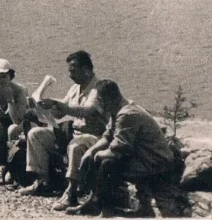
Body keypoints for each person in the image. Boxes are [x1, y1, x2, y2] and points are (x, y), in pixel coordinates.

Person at [67, 79, 177, 217]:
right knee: (100, 157)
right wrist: (90, 152)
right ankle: (94, 202)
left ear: (105, 99)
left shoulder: (127, 114)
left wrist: (97, 156)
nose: (97, 105)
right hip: (145, 157)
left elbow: (119, 149)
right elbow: (107, 137)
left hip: (157, 162)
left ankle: (106, 210)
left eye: (98, 101)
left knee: (108, 164)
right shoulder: (119, 109)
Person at [20, 50, 108, 208]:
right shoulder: (75, 88)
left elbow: (85, 110)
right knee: (36, 134)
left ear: (86, 70)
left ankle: (71, 193)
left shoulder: (98, 89)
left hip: (95, 136)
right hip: (75, 133)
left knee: (75, 146)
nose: (70, 74)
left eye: (73, 70)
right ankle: (43, 181)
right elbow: (61, 112)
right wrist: (44, 106)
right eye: (69, 70)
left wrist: (57, 103)